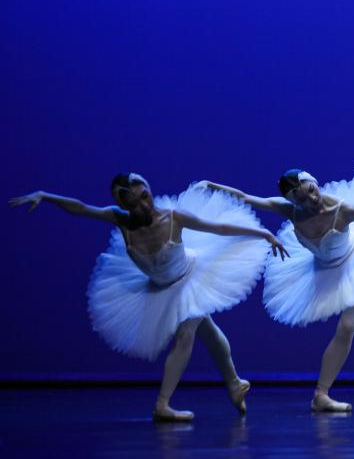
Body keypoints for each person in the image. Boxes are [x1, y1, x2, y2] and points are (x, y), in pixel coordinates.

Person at [9, 174, 288, 421]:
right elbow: (81, 208)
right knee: (208, 331)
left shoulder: (173, 218)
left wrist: (263, 233)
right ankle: (235, 383)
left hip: (191, 279)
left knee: (185, 336)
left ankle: (162, 405)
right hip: (160, 288)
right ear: (123, 204)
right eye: (133, 204)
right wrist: (46, 196)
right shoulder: (120, 220)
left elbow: (220, 228)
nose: (143, 206)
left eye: (145, 197)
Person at [201, 171, 354, 413]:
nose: (311, 199)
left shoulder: (344, 210)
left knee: (347, 326)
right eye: (301, 199)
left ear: (314, 182)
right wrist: (211, 184)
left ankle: (321, 394)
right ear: (293, 201)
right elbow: (246, 197)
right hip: (324, 271)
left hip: (353, 266)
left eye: (311, 190)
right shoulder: (290, 211)